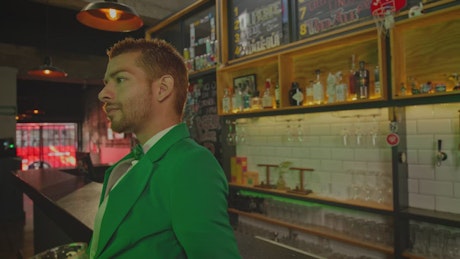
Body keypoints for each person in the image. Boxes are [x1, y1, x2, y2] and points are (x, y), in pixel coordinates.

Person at [88, 37, 241, 259]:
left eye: (120, 79)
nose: (103, 94)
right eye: (106, 83)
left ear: (162, 88)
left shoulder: (191, 164)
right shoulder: (132, 161)